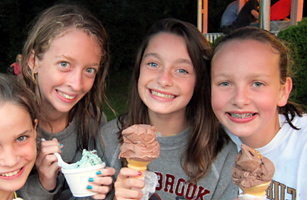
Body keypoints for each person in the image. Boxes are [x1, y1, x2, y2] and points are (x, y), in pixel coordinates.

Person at [99, 18, 238, 200]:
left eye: (182, 70)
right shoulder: (107, 139)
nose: (164, 79)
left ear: (199, 81)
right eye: (153, 64)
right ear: (139, 69)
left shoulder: (224, 155)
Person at [211, 27, 307, 199]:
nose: (240, 99)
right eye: (225, 83)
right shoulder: (206, 142)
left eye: (257, 84)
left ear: (283, 91)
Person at [18, 4, 115, 200]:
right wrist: (44, 183)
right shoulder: (10, 123)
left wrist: (102, 191)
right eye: (64, 64)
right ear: (33, 61)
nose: (76, 84)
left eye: (89, 70)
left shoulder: (93, 121)